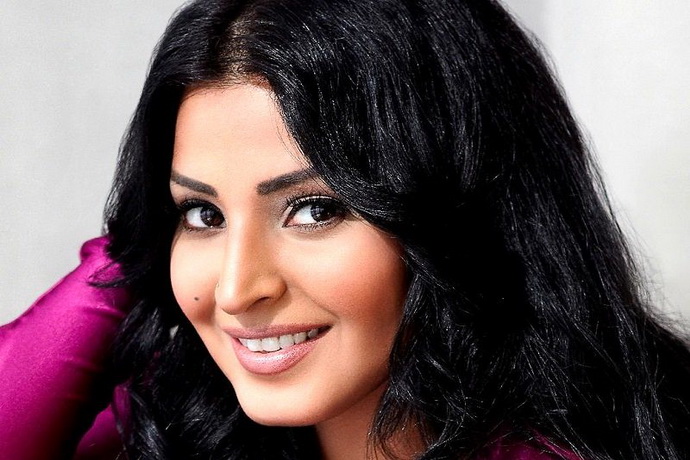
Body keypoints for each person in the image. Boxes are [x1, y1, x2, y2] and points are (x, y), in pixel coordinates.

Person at [1, 0, 689, 458]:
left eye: (314, 210)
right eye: (203, 215)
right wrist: (129, 256)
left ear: (460, 214)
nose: (237, 290)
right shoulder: (177, 423)